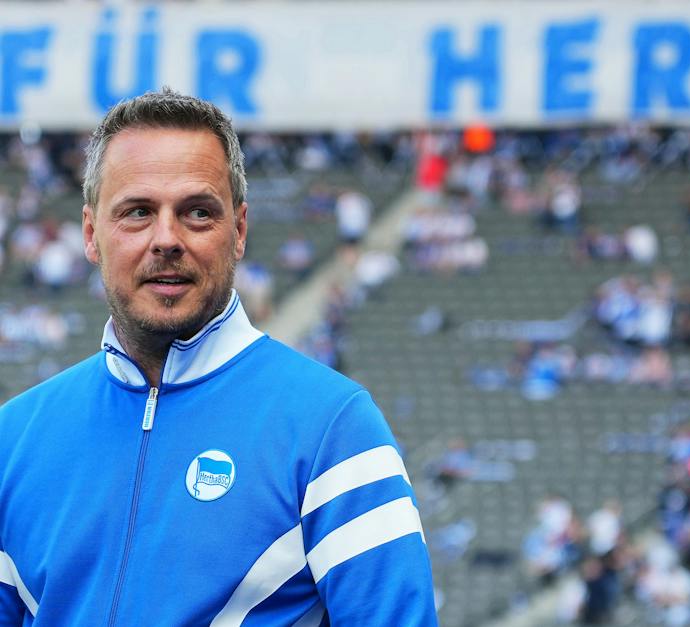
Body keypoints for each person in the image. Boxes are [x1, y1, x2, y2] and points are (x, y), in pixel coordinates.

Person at [0, 89, 437, 626]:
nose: (166, 238)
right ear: (91, 235)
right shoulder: (12, 438)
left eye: (197, 213)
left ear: (239, 231)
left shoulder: (334, 428)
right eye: (137, 212)